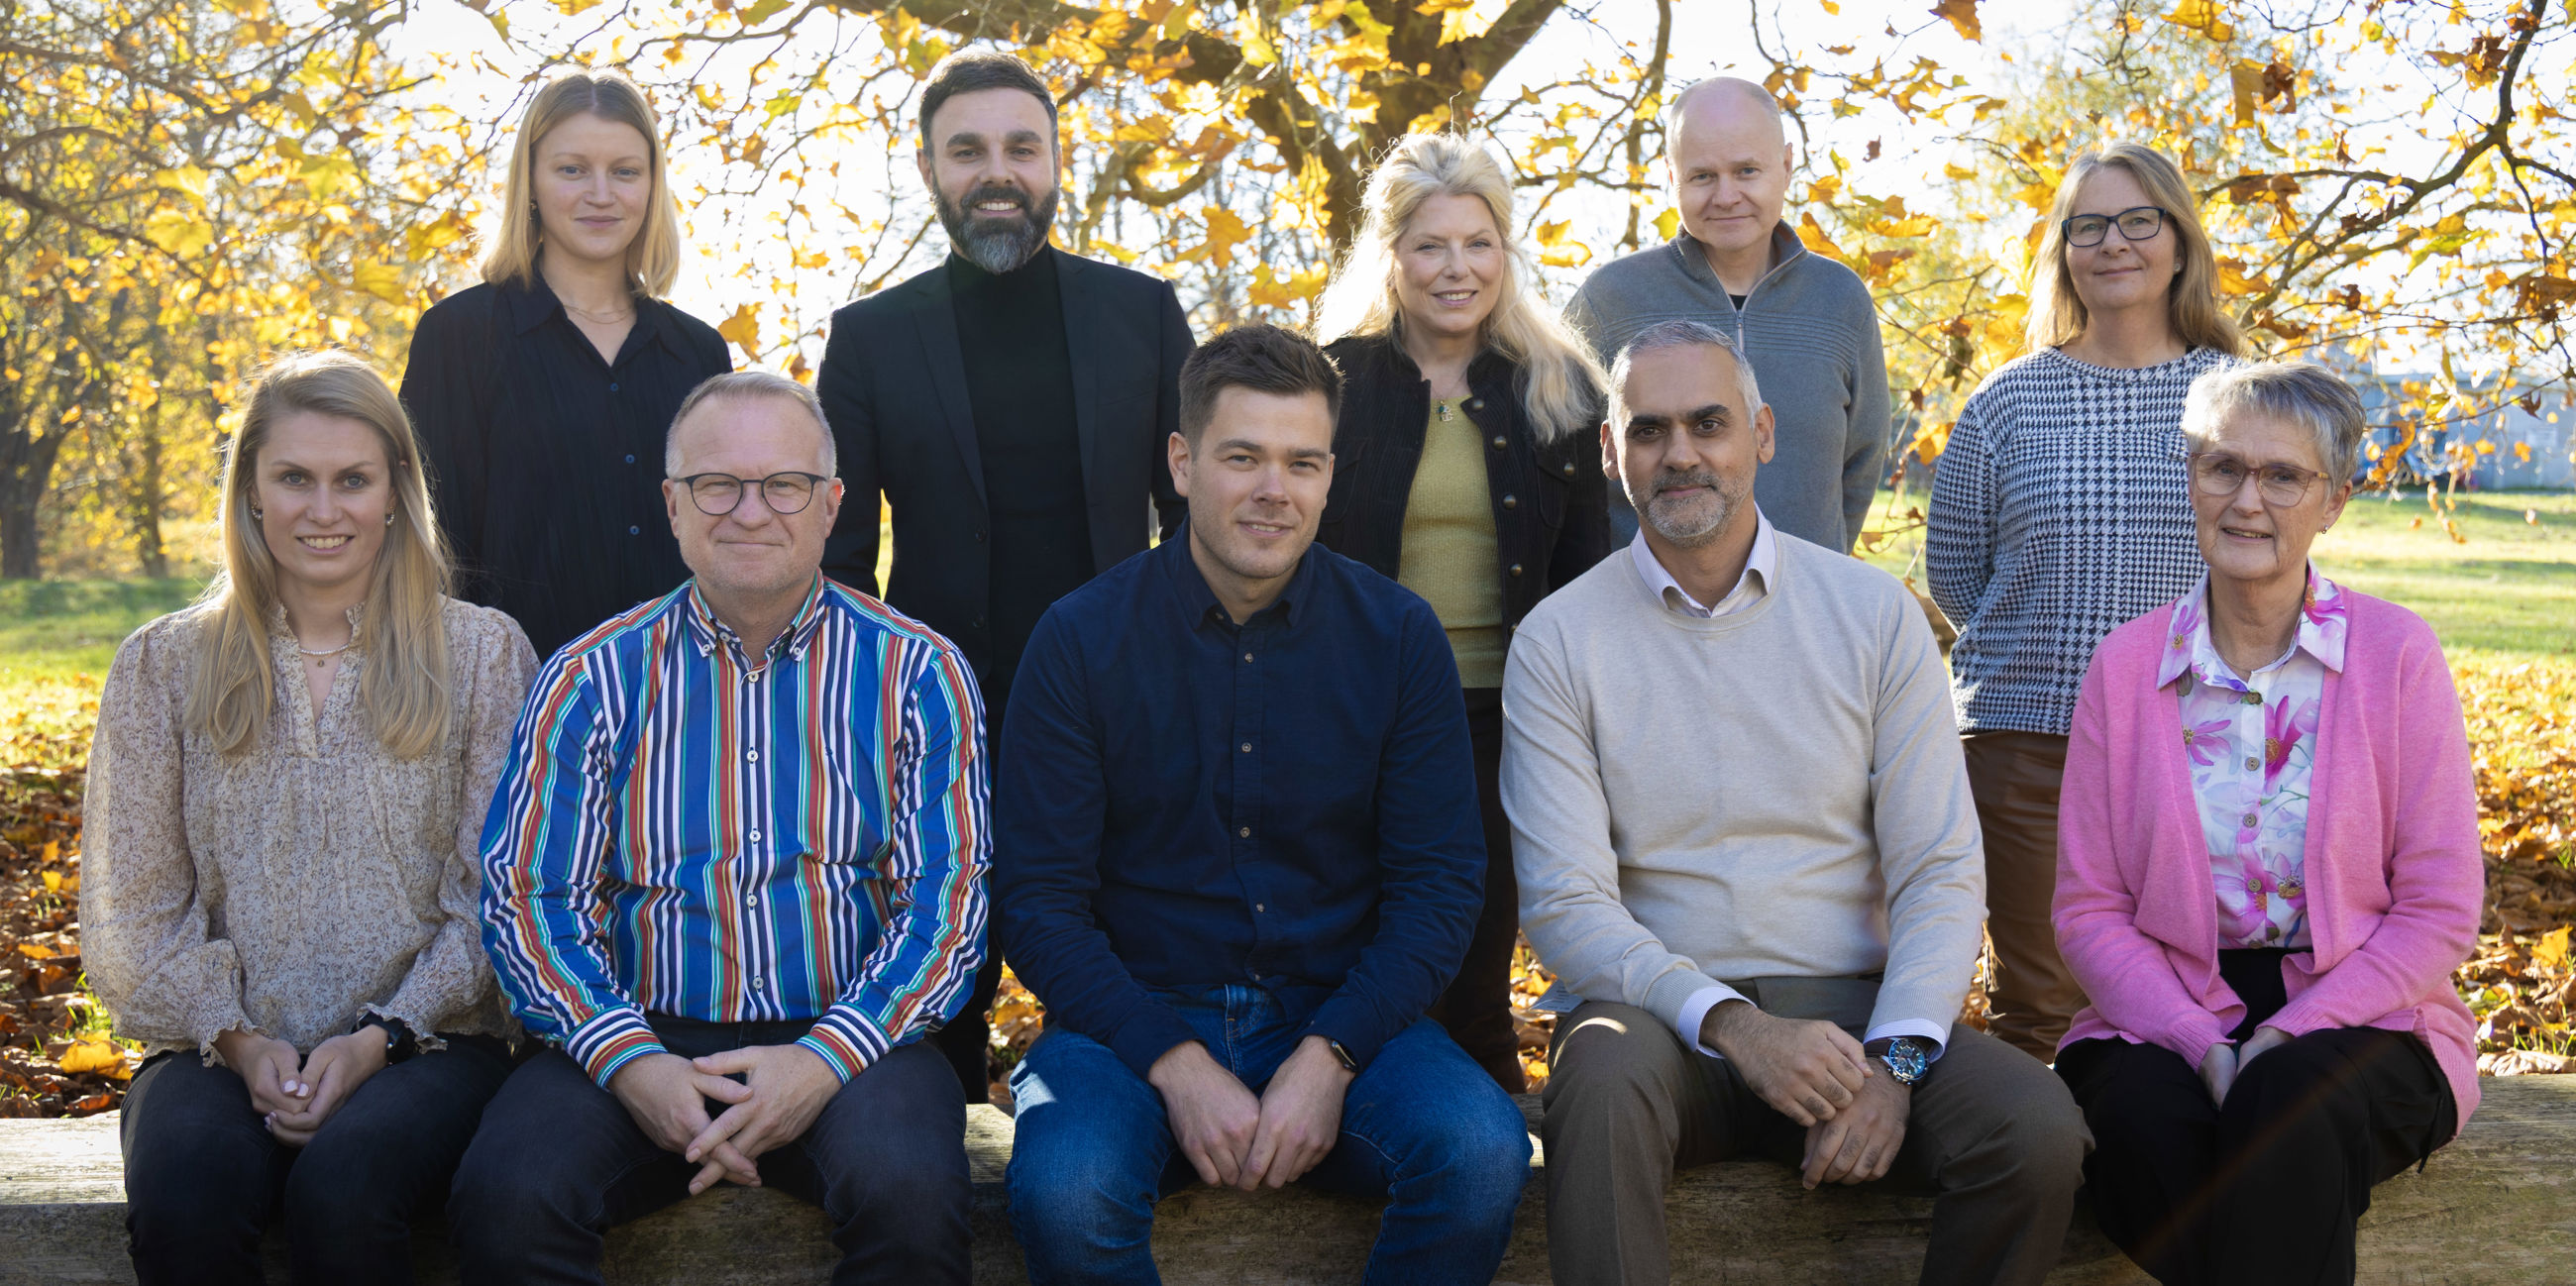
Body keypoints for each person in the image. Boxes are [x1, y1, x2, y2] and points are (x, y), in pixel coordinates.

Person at [1511, 321, 2089, 1286]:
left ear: (1764, 433)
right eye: (1648, 430)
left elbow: (1939, 867)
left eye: (1709, 422)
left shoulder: (1872, 615)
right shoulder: (1558, 639)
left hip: (1855, 1014)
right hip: (1662, 1025)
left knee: (2032, 1126)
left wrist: (1894, 1065)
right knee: (1599, 1077)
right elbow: (1565, 904)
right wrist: (1737, 1026)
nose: (1679, 453)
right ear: (1611, 451)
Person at [996, 325, 1532, 1285]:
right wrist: (1174, 1061)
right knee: (1067, 1189)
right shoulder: (1079, 638)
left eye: (1302, 462)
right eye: (1242, 457)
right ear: (1182, 462)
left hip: (1344, 1013)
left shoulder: (1398, 637)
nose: (1273, 489)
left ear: (1330, 475)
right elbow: (1037, 902)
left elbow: (1441, 886)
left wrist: (1331, 1055)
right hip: (1127, 1026)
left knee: (1482, 1150)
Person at [450, 373, 988, 1285]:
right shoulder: (590, 678)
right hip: (636, 1031)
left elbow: (948, 910)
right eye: (716, 485)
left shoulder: (918, 673)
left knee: (911, 1197)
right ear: (672, 505)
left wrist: (822, 1061)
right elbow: (530, 901)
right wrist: (632, 1064)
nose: (750, 510)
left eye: (784, 484)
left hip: (855, 1041)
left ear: (832, 505)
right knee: (508, 1196)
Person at [82, 351, 536, 1284]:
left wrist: (380, 1038)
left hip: (432, 1043)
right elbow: (132, 914)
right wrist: (242, 1042)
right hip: (216, 1045)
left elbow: (498, 900)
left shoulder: (481, 654)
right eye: (294, 478)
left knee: (344, 1190)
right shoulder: (163, 666)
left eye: (352, 480)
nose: (323, 509)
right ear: (251, 491)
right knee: (184, 1198)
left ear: (395, 491)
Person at [2053, 362, 2481, 1286]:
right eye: (2224, 468)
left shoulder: (2397, 655)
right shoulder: (2125, 667)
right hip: (2164, 1004)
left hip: (2369, 1002)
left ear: (2334, 500)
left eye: (2283, 476)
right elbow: (2089, 911)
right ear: (2193, 479)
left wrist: (2289, 1032)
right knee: (2137, 1126)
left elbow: (2441, 908)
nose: (2248, 500)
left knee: (2285, 1104)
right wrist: (2198, 1039)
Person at [815, 50, 1191, 1100]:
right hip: (935, 723)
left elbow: (1195, 520)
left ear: (1056, 162)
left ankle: (1106, 1151)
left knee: (1119, 993)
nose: (997, 172)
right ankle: (929, 1153)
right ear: (929, 169)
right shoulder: (868, 338)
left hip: (1123, 713)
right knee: (936, 1009)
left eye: (1021, 148)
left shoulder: (1143, 313)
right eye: (968, 150)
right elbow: (837, 561)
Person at [1924, 141, 2251, 1062]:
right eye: (2089, 225)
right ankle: (2041, 1153)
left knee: (2189, 993)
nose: (2114, 243)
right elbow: (1955, 572)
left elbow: (2267, 552)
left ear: (2180, 243)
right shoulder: (2008, 402)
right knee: (2042, 1005)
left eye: (2140, 220)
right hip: (2027, 745)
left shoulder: (2236, 398)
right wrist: (2051, 644)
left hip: (2195, 735)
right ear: (2063, 250)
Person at [1308, 132, 1612, 1093]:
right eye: (1430, 245)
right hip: (1358, 711)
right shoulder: (1328, 383)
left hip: (1504, 715)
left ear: (1504, 252)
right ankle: (1356, 1107)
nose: (1456, 268)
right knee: (1360, 939)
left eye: (1478, 244)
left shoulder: (1559, 387)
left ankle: (1492, 1125)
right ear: (1390, 256)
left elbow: (1587, 577)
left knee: (1476, 951)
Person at [401, 68, 731, 661]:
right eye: (572, 169)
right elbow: (428, 540)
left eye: (625, 171)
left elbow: (722, 528)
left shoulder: (699, 351)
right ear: (530, 182)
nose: (600, 194)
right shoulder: (459, 336)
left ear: (652, 185)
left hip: (683, 685)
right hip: (511, 689)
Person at [1566, 76, 1889, 552]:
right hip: (1644, 594)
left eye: (1746, 171)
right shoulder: (1611, 299)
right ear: (1672, 176)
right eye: (1702, 176)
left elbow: (1861, 463)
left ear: (1786, 165)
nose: (1726, 196)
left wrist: (1819, 567)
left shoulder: (1839, 299)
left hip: (1803, 593)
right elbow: (1562, 464)